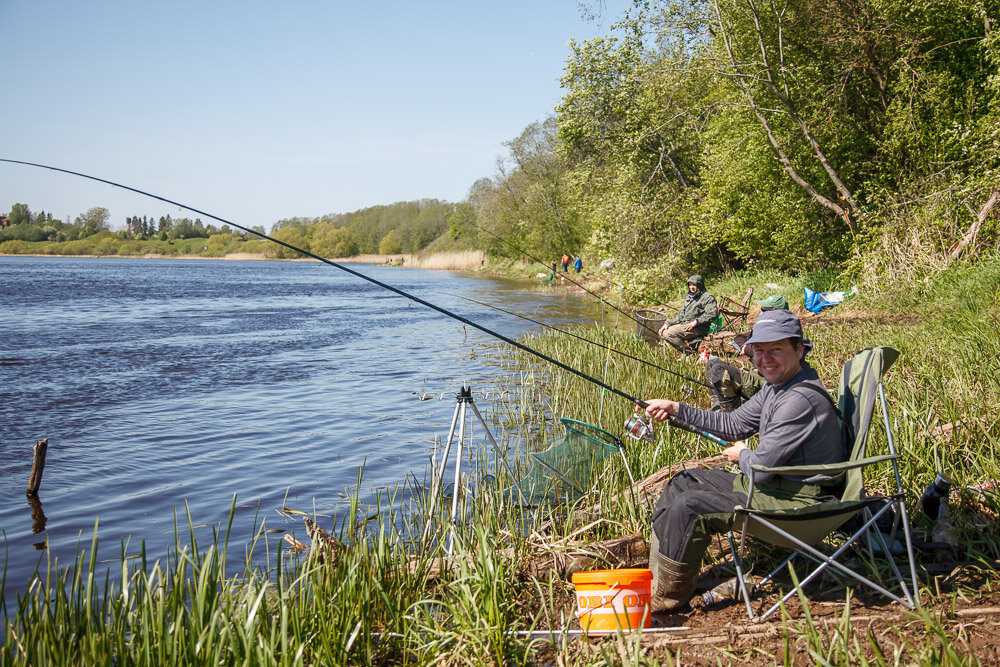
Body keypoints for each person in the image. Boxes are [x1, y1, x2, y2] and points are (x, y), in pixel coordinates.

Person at [640, 310, 844, 612]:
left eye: (775, 349)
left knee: (688, 507)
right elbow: (733, 424)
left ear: (799, 349)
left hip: (797, 503)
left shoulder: (799, 399)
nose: (764, 359)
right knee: (683, 481)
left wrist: (742, 454)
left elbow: (759, 471)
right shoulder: (778, 386)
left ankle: (667, 598)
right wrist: (677, 408)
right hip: (777, 486)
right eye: (758, 350)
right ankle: (660, 579)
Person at [702, 295, 789, 411]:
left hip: (767, 383)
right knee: (712, 363)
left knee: (719, 370)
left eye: (764, 310)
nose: (760, 313)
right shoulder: (763, 327)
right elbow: (740, 337)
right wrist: (745, 345)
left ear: (775, 313)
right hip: (755, 374)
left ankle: (730, 416)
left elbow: (769, 355)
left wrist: (748, 349)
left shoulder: (782, 331)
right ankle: (717, 407)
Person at [659, 275, 718, 353]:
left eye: (694, 285)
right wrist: (668, 323)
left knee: (668, 333)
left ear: (699, 285)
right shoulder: (690, 297)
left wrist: (696, 322)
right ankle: (689, 350)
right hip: (686, 324)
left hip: (699, 328)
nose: (691, 287)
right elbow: (681, 316)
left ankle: (688, 353)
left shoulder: (708, 298)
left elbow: (712, 314)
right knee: (662, 331)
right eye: (690, 285)